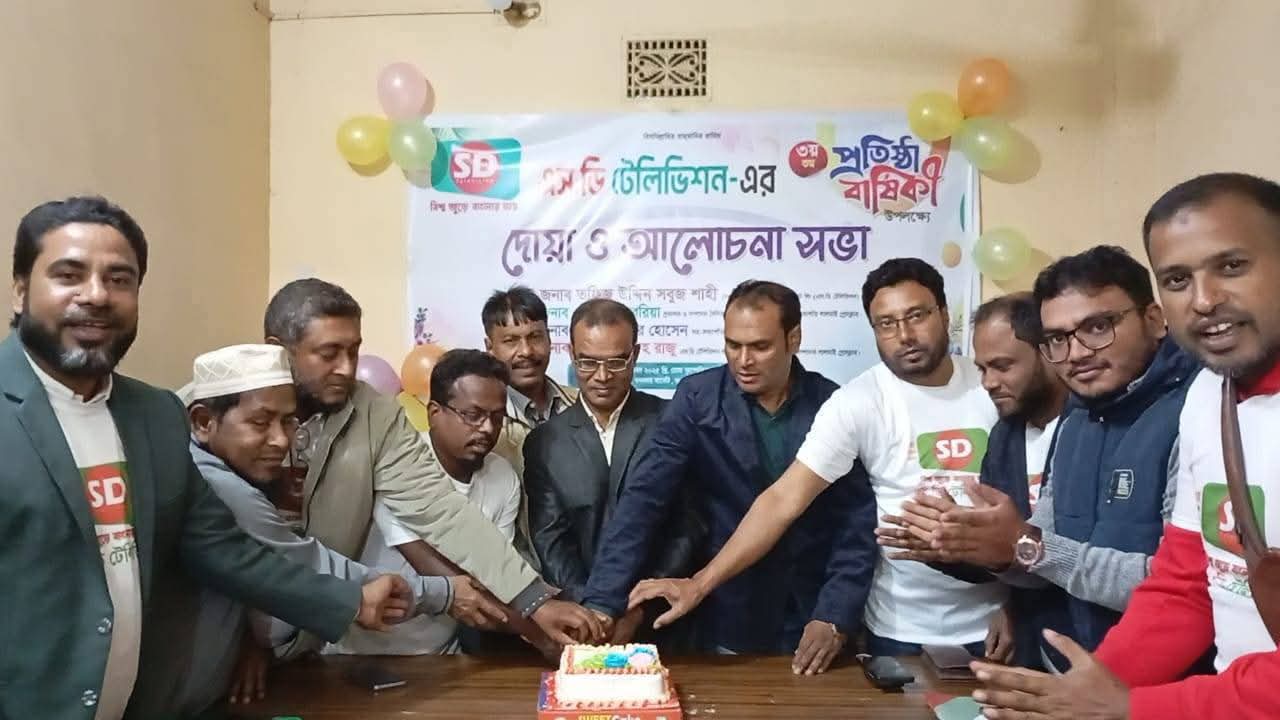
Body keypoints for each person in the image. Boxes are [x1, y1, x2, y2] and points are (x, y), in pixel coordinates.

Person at [0, 197, 410, 720]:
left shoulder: (153, 415)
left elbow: (222, 549)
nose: (97, 295)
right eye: (69, 275)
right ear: (20, 290)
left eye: (119, 279)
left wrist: (349, 600)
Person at [972, 173, 1280, 719]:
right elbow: (1185, 583)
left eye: (1232, 266)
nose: (1204, 300)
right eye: (1178, 279)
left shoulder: (1181, 398)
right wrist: (1077, 696)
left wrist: (1132, 707)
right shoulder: (1209, 395)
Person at [628, 260, 1004, 660]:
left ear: (944, 314)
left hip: (997, 624)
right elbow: (781, 500)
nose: (905, 335)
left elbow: (1028, 503)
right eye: (887, 323)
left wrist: (1015, 600)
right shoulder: (854, 402)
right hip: (894, 626)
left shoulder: (995, 388)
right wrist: (696, 584)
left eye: (916, 316)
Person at [263, 279, 602, 657]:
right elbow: (238, 545)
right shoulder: (230, 412)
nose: (346, 368)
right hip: (245, 634)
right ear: (278, 350)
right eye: (329, 354)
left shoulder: (376, 416)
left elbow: (440, 509)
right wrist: (246, 637)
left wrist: (533, 600)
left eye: (354, 351)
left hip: (317, 641)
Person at [168, 344, 502, 712]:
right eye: (260, 423)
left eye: (288, 422)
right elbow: (309, 568)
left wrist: (252, 639)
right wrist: (445, 594)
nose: (281, 440)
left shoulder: (214, 464)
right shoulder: (219, 486)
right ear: (203, 422)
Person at [911, 246, 1199, 670]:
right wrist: (987, 546)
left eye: (1098, 327)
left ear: (1154, 319)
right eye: (1057, 339)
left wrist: (1026, 545)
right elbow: (1041, 554)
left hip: (1175, 686)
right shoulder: (1077, 416)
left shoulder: (1199, 411)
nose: (1077, 353)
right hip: (1079, 676)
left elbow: (1185, 590)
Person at [582, 280, 877, 674]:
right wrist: (603, 601)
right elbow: (643, 500)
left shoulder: (833, 405)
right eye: (732, 345)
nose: (743, 360)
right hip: (728, 611)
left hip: (813, 613)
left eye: (760, 346)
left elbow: (857, 521)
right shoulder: (698, 398)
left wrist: (835, 614)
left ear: (793, 338)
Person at [879, 292, 1068, 668]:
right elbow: (1005, 557)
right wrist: (948, 549)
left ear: (1048, 352)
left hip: (1093, 650)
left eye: (1002, 366)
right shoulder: (1004, 437)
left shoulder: (1088, 429)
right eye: (982, 369)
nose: (989, 383)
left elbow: (1077, 556)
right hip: (1033, 650)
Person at [329, 349, 545, 657]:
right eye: (473, 415)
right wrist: (542, 629)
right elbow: (445, 578)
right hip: (358, 654)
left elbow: (494, 579)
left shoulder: (503, 478)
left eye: (496, 417)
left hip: (443, 654)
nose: (487, 428)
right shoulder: (397, 463)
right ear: (434, 412)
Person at [523, 299, 700, 646]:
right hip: (582, 626)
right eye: (588, 362)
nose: (602, 376)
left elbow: (686, 528)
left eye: (616, 362)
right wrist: (592, 613)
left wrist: (636, 606)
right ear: (571, 354)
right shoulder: (545, 441)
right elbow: (550, 539)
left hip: (663, 622)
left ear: (635, 355)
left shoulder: (671, 423)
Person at [482, 285, 580, 568]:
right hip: (516, 572)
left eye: (536, 337)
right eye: (511, 341)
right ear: (490, 347)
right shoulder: (484, 423)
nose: (526, 351)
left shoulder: (582, 405)